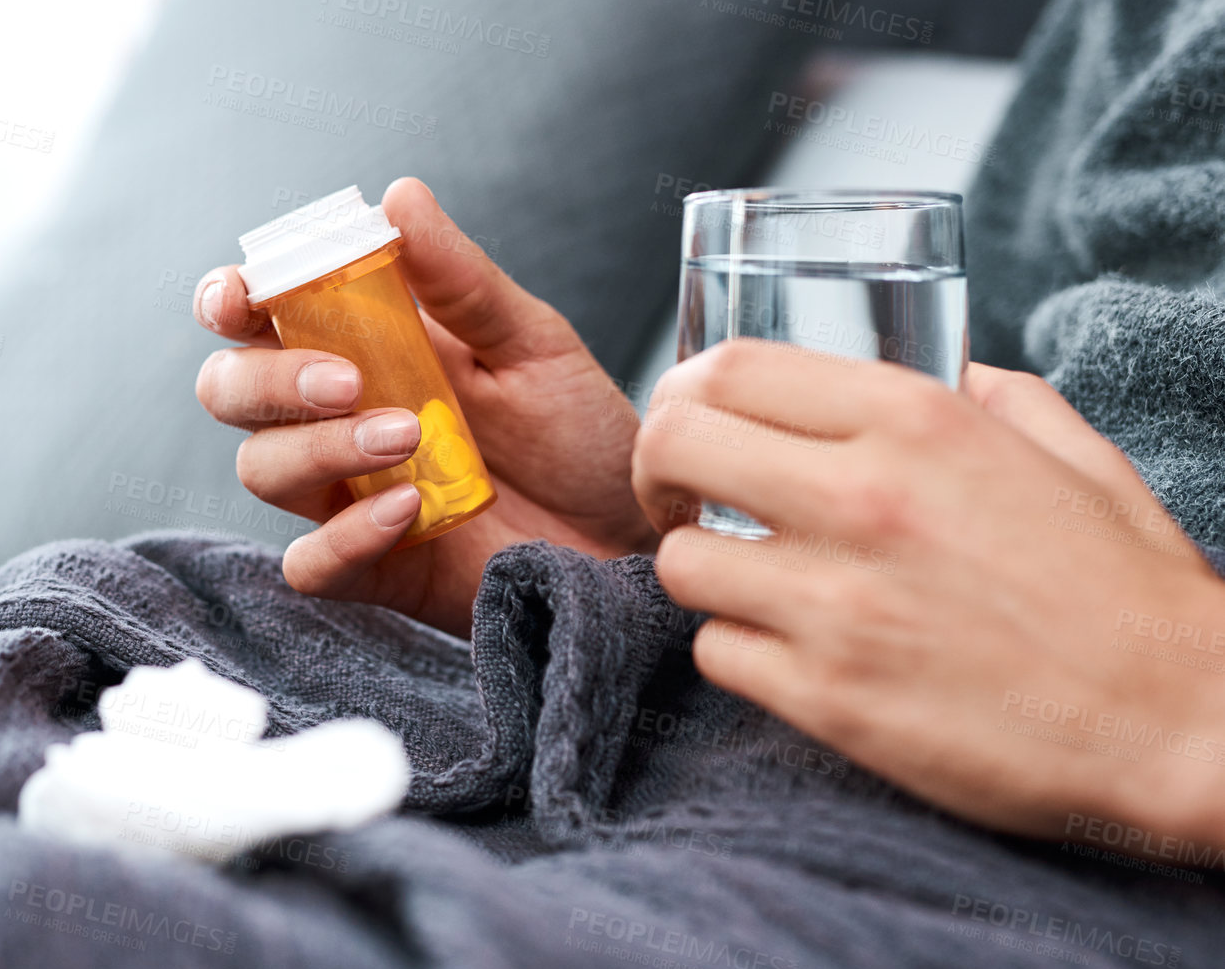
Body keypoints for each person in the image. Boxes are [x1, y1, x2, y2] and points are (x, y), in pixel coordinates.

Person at [189, 175, 1225, 857]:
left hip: (1068, 868)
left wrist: (1185, 702)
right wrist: (631, 578)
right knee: (138, 595)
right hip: (803, 749)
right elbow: (957, 470)